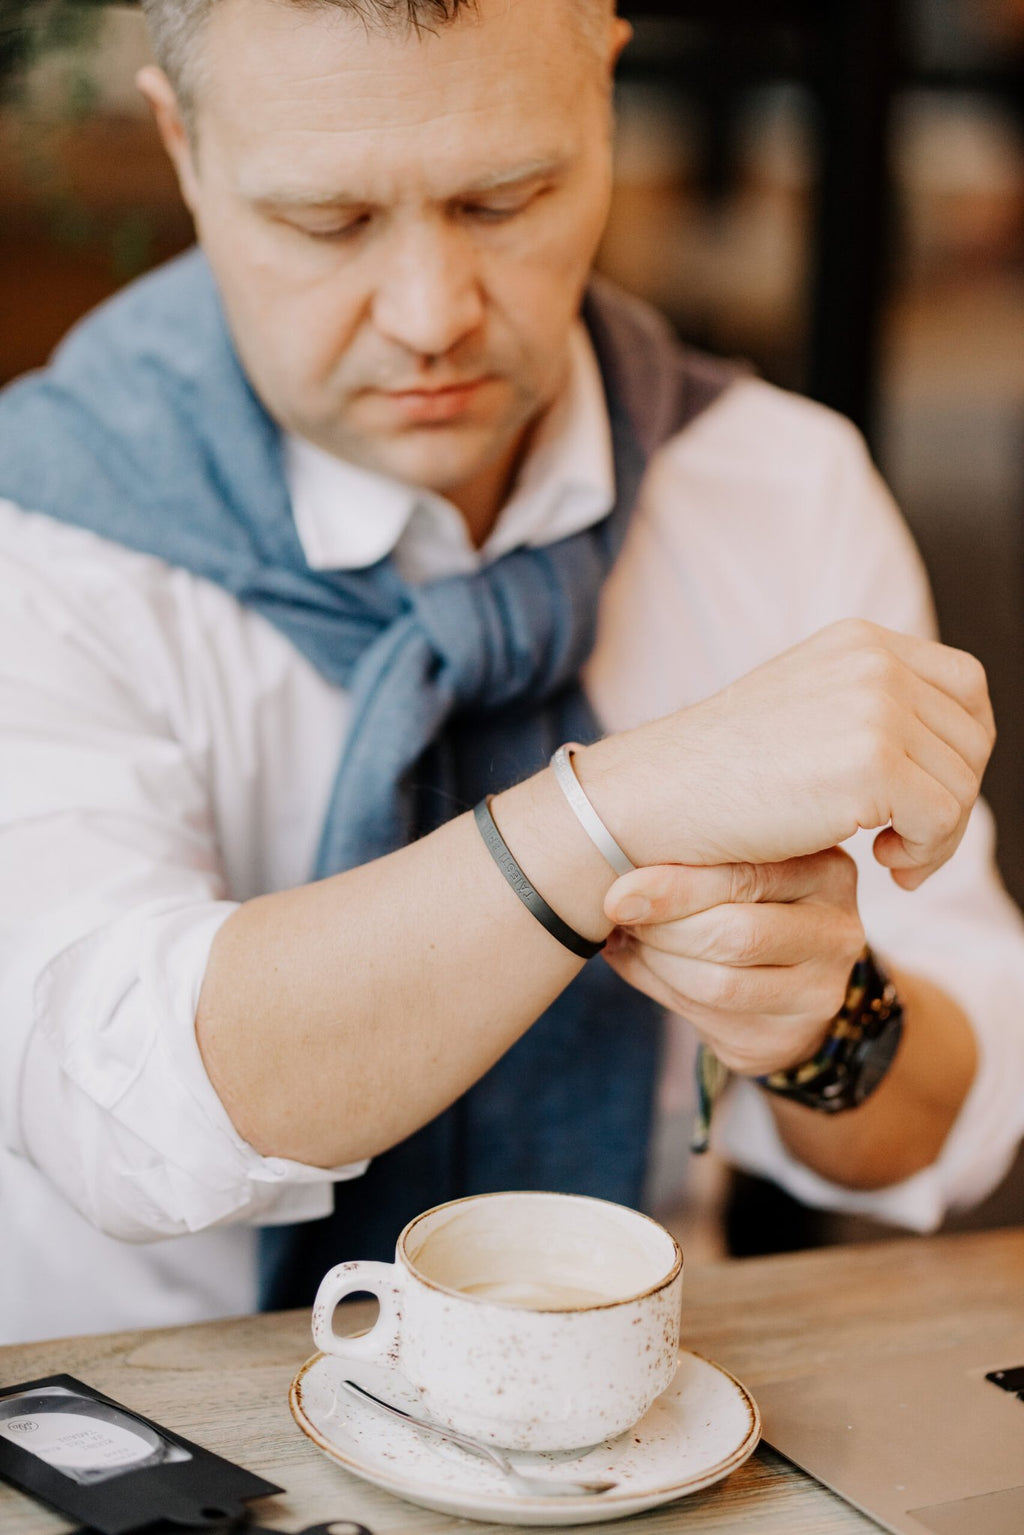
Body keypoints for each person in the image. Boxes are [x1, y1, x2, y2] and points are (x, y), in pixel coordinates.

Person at [1, 0, 1023, 1346]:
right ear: (183, 144)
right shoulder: (43, 533)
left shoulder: (780, 487)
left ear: (603, 91)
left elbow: (955, 1117)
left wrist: (827, 1024)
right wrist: (623, 812)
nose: (431, 315)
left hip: (654, 1428)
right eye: (328, 223)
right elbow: (118, 1107)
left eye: (506, 199)